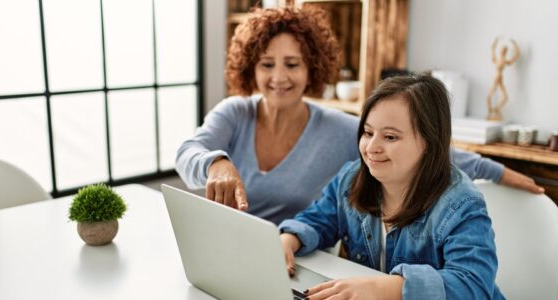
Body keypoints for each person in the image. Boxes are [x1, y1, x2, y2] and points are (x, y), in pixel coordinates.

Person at [175, 6, 543, 225]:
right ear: (250, 67)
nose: (279, 77)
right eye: (267, 64)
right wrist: (216, 162)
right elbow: (188, 152)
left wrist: (505, 174)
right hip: (227, 250)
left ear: (312, 69)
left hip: (292, 257)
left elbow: (427, 148)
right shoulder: (234, 113)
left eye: (292, 64)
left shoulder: (337, 128)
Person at [279, 74, 504, 299]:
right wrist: (289, 240)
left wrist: (387, 288)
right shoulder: (352, 177)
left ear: (429, 141)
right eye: (368, 133)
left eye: (390, 137)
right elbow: (319, 220)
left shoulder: (462, 203)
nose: (371, 147)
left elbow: (473, 284)